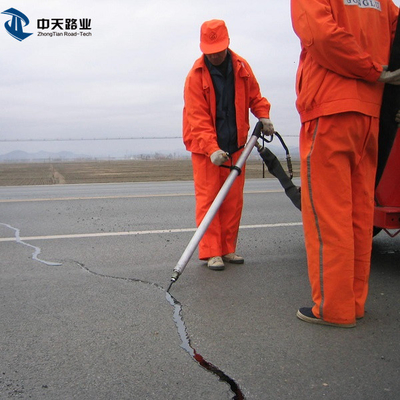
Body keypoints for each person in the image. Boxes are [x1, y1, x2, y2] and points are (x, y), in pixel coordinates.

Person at [290, 0, 400, 327]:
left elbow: (322, 36)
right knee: (358, 212)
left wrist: (371, 69)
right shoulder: (382, 2)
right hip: (370, 113)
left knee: (329, 213)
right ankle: (353, 301)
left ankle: (334, 308)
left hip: (330, 109)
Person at [183, 19, 274, 271]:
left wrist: (263, 115)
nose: (214, 56)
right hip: (205, 150)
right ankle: (212, 252)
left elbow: (255, 96)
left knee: (232, 200)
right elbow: (197, 119)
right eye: (209, 52)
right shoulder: (195, 76)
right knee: (209, 200)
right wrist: (211, 149)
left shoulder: (241, 67)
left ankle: (227, 249)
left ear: (227, 44)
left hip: (235, 146)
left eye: (218, 50)